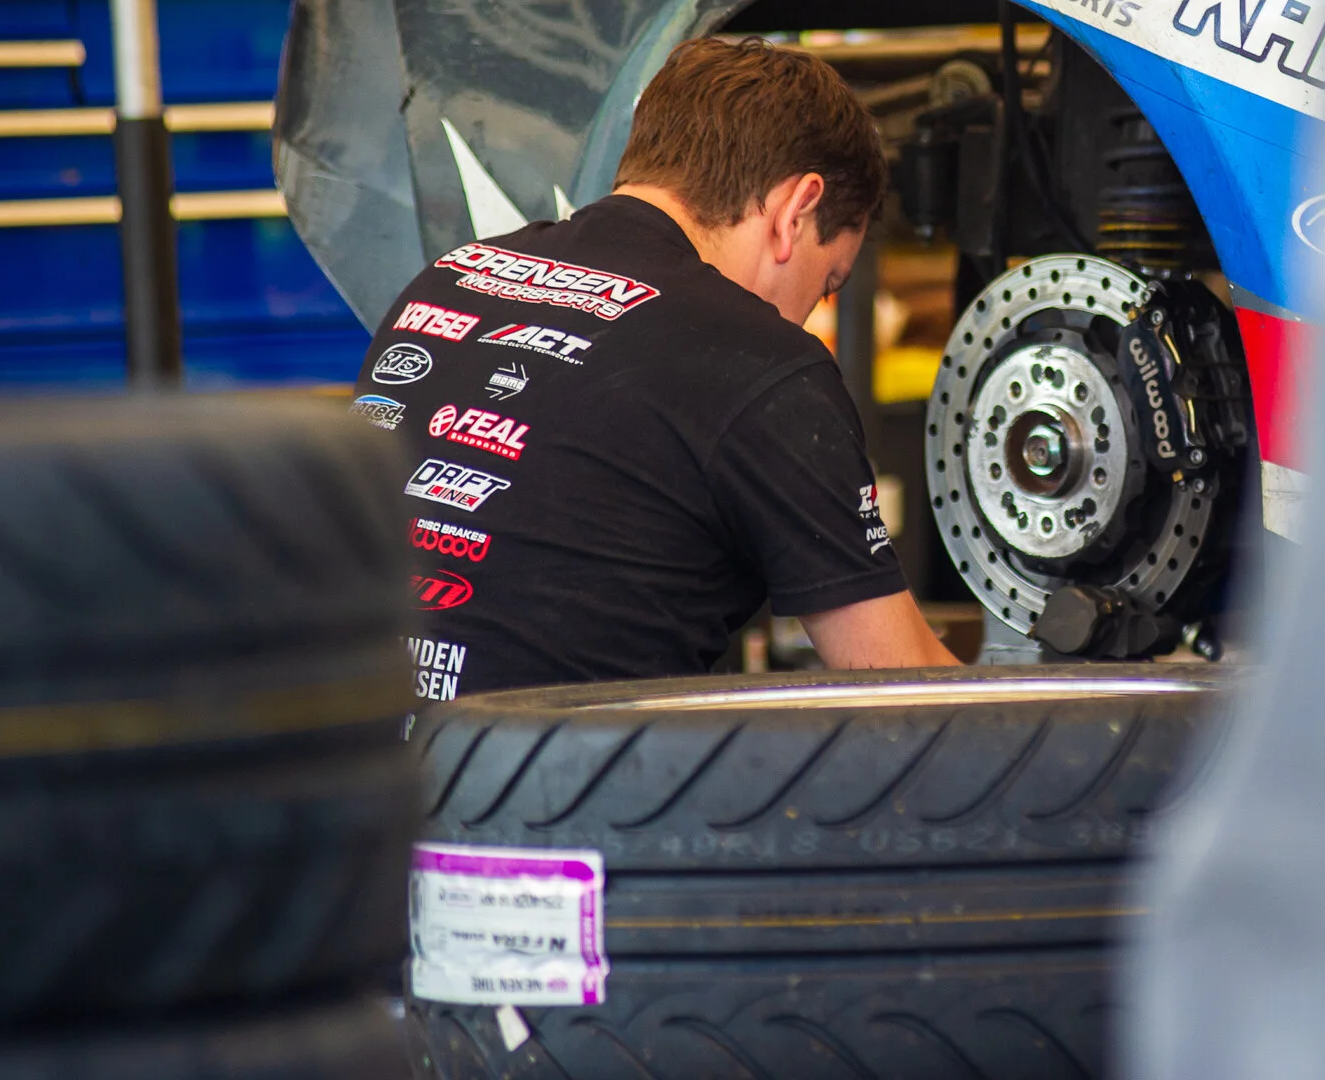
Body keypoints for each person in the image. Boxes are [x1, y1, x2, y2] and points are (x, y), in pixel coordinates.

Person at [367, 35, 960, 700]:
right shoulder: (760, 360)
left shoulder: (447, 279)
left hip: (358, 748)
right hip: (559, 762)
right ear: (796, 210)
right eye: (828, 283)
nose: (809, 313)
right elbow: (908, 691)